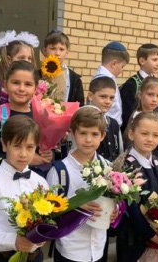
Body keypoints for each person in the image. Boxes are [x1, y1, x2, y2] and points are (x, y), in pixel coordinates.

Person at [0, 115, 49, 262]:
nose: (23, 154)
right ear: (4, 144)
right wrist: (12, 240)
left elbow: (46, 217)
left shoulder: (40, 182)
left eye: (29, 147)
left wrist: (43, 235)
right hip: (0, 258)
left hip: (35, 257)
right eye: (16, 146)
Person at [47, 107, 117, 262]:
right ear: (72, 133)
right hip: (70, 249)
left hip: (98, 247)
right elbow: (49, 211)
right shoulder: (59, 171)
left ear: (103, 136)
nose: (88, 139)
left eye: (94, 134)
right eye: (83, 133)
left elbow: (116, 199)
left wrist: (115, 211)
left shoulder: (109, 168)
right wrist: (75, 206)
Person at [113, 112, 158, 262]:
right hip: (133, 236)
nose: (150, 139)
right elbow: (131, 208)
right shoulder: (125, 165)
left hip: (156, 232)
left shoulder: (157, 161)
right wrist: (153, 236)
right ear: (132, 134)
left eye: (155, 135)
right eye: (144, 133)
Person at [0, 61, 52, 175]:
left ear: (35, 88)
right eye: (15, 83)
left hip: (36, 181)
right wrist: (28, 160)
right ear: (5, 85)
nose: (21, 88)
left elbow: (45, 147)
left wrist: (50, 154)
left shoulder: (41, 117)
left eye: (28, 84)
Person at [0, 30, 38, 118]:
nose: (27, 61)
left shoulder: (33, 88)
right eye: (21, 57)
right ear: (9, 59)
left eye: (29, 58)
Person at [120, 44, 158, 133]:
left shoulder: (157, 82)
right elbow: (127, 114)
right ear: (142, 60)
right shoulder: (132, 83)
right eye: (154, 60)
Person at [41, 29, 85, 106]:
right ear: (45, 50)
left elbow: (79, 105)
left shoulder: (75, 80)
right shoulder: (36, 74)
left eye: (61, 49)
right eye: (53, 48)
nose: (57, 53)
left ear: (67, 52)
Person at [93, 41, 130, 125]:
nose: (122, 70)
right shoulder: (103, 79)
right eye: (122, 66)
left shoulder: (109, 77)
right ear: (114, 63)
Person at [88, 77, 123, 162]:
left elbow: (119, 152)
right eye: (103, 97)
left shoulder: (113, 124)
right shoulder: (82, 120)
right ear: (90, 96)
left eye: (111, 98)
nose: (108, 101)